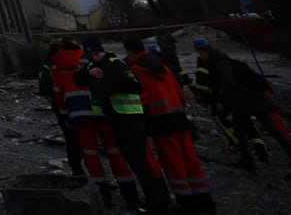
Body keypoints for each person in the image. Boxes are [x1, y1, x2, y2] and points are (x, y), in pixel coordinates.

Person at [194, 37, 291, 181]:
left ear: (204, 52)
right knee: (270, 131)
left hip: (243, 102)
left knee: (248, 131)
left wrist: (220, 100)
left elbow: (229, 83)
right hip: (253, 100)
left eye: (200, 53)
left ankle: (252, 163)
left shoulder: (219, 64)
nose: (200, 56)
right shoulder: (223, 59)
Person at [76, 37, 171, 213]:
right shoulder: (96, 65)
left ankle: (157, 202)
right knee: (135, 161)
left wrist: (96, 81)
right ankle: (155, 199)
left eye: (95, 54)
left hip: (129, 117)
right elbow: (79, 78)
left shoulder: (113, 64)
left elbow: (109, 86)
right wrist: (89, 72)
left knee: (139, 162)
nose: (93, 58)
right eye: (90, 55)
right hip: (118, 117)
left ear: (101, 51)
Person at [125, 37, 214, 213]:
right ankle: (205, 200)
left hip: (161, 122)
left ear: (129, 51)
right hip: (179, 117)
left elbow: (142, 98)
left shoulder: (138, 71)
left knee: (173, 163)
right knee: (191, 160)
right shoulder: (163, 67)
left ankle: (186, 202)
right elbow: (179, 92)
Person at [51, 39, 137, 209]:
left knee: (90, 154)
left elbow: (58, 92)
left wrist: (65, 115)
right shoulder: (88, 58)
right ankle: (129, 194)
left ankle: (102, 195)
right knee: (114, 151)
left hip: (78, 114)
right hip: (100, 109)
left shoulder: (57, 65)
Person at [39, 43, 85, 176]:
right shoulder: (76, 63)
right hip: (78, 106)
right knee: (81, 140)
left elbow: (44, 90)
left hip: (62, 109)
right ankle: (82, 170)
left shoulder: (50, 68)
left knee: (72, 139)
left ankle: (78, 169)